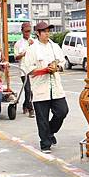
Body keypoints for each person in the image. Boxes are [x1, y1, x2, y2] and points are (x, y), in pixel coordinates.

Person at [22, 21, 69, 153]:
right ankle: (45, 143)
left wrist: (57, 67)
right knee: (42, 118)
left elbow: (62, 62)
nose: (47, 34)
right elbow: (28, 69)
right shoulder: (32, 49)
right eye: (45, 31)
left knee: (62, 111)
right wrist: (44, 70)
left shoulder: (54, 46)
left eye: (49, 31)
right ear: (38, 33)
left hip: (56, 87)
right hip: (40, 88)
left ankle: (50, 131)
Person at [14, 22, 35, 118]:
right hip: (23, 69)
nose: (27, 33)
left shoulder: (33, 41)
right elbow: (16, 57)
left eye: (29, 31)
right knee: (27, 89)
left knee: (32, 90)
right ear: (22, 31)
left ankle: (25, 104)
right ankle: (31, 109)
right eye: (26, 31)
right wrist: (22, 54)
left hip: (33, 68)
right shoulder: (18, 43)